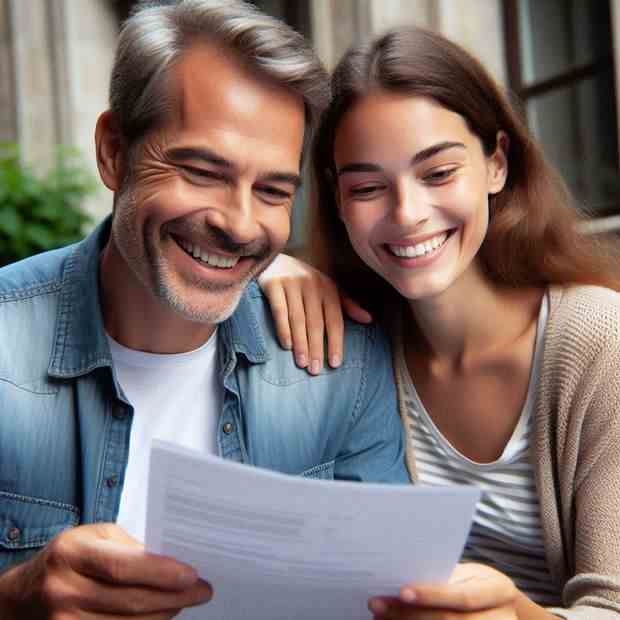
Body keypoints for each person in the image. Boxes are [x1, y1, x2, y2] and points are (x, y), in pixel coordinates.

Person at [0, 2, 409, 618]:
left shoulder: (340, 367)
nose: (241, 225)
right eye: (200, 170)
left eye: (273, 191)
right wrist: (14, 599)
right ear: (114, 152)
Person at [258, 26, 620, 620]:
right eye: (369, 186)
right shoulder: (353, 343)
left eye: (438, 173)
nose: (407, 214)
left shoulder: (599, 342)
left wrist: (515, 612)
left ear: (496, 163)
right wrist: (262, 269)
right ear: (339, 201)